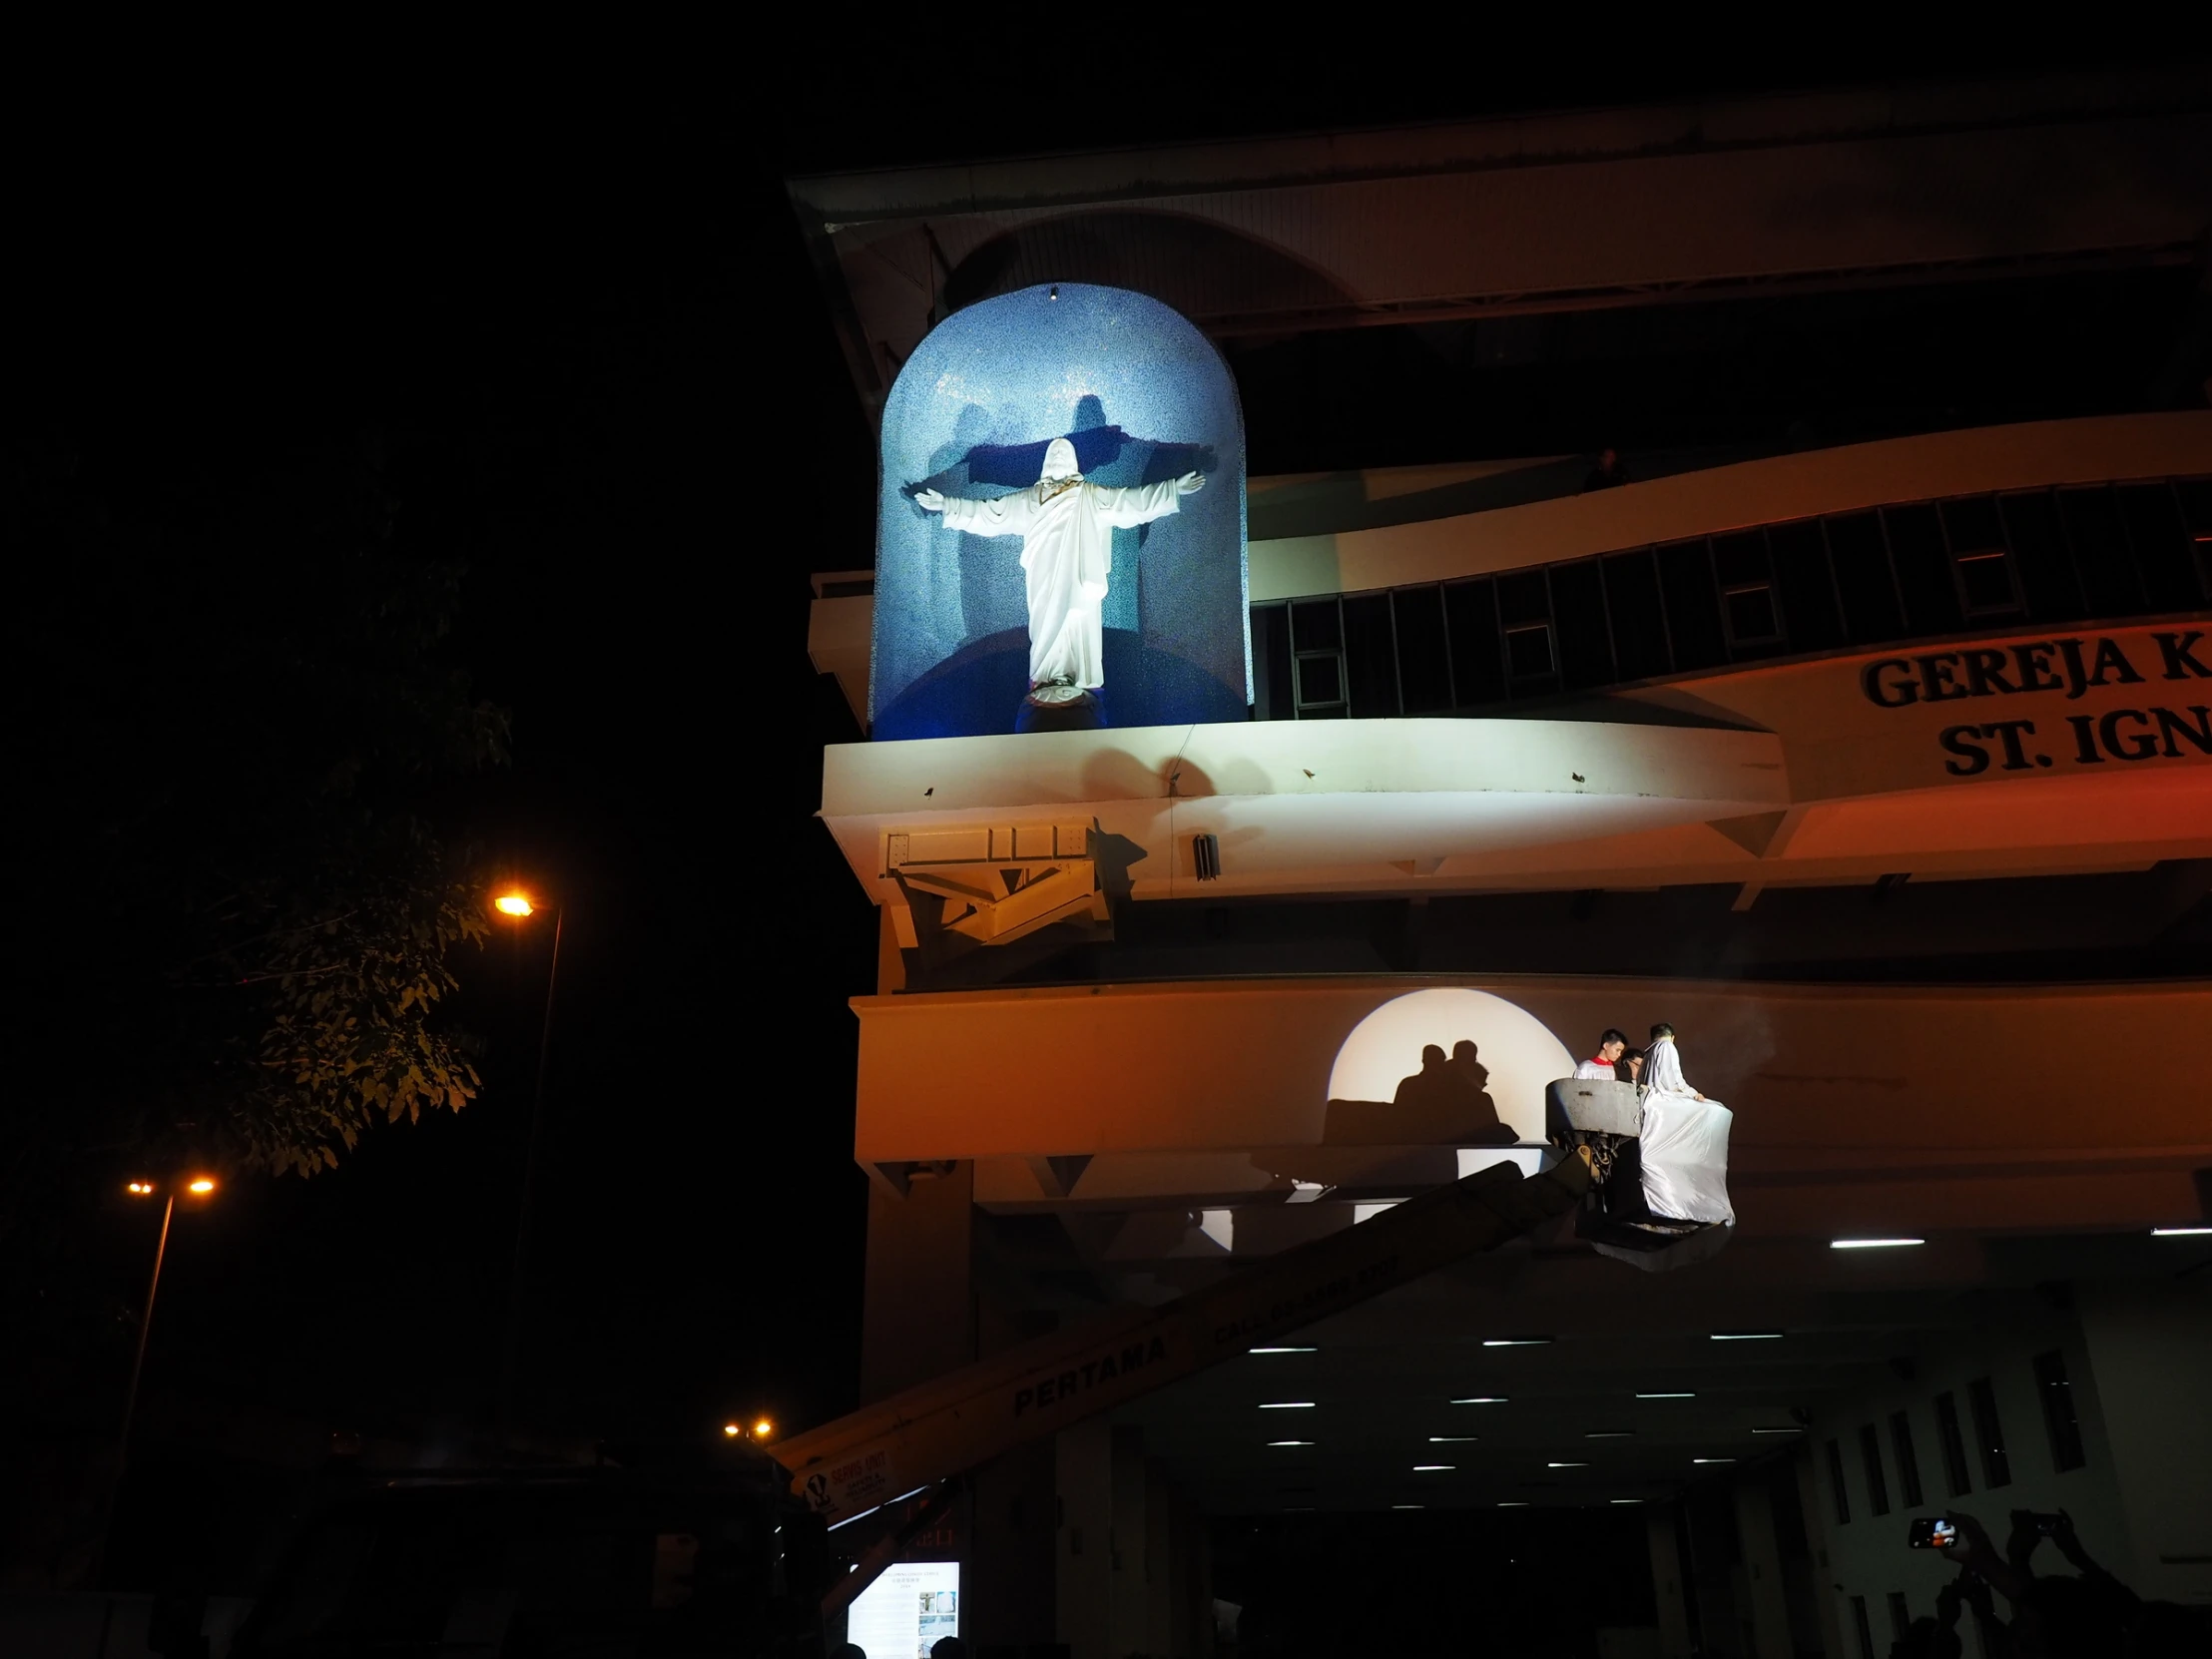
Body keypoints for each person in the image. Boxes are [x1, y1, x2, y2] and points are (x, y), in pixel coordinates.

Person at [915, 437, 1204, 697]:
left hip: (1079, 576)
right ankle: (1046, 679)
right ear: (1044, 465)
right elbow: (991, 513)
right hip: (1045, 577)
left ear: (1074, 464)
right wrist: (948, 506)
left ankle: (1079, 680)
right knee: (1047, 626)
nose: (1057, 462)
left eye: (1063, 458)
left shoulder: (1089, 495)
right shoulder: (1030, 499)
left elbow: (1129, 502)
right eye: (1053, 458)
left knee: (1077, 624)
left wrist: (1172, 490)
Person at [1634, 1023, 1734, 1225]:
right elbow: (1674, 1081)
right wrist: (1694, 1094)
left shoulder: (1649, 1054)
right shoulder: (1667, 1048)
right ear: (1672, 1037)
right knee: (1717, 1110)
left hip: (1652, 1101)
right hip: (1663, 1102)